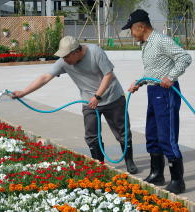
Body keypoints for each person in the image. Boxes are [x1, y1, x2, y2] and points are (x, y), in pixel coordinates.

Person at [12, 36, 138, 174]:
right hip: (88, 101)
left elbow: (108, 75)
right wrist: (23, 92)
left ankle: (129, 161)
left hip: (112, 97)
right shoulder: (65, 61)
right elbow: (45, 77)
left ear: (76, 52)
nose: (64, 60)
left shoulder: (95, 52)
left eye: (66, 57)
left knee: (122, 131)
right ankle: (99, 166)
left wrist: (97, 96)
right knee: (91, 135)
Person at [123, 9, 192, 194]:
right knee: (152, 134)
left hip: (166, 93)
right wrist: (139, 82)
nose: (131, 33)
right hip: (153, 92)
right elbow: (152, 70)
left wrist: (171, 76)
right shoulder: (145, 44)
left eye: (131, 29)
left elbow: (184, 57)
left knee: (166, 137)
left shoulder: (161, 41)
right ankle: (157, 174)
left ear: (141, 27)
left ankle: (178, 181)